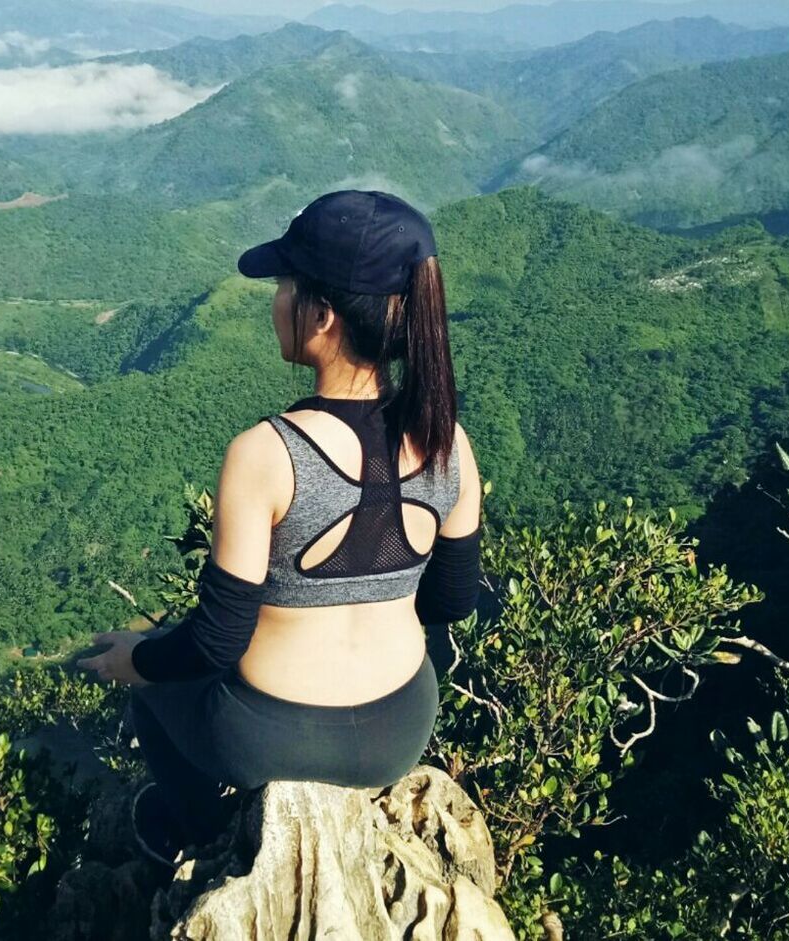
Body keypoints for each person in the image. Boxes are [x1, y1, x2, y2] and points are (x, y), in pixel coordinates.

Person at [78, 190, 484, 871]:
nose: (275, 302)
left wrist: (135, 659)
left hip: (266, 735)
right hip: (399, 728)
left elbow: (214, 641)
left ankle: (200, 832)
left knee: (152, 692)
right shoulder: (448, 442)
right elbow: (450, 603)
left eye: (283, 287)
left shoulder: (267, 452)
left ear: (321, 315)